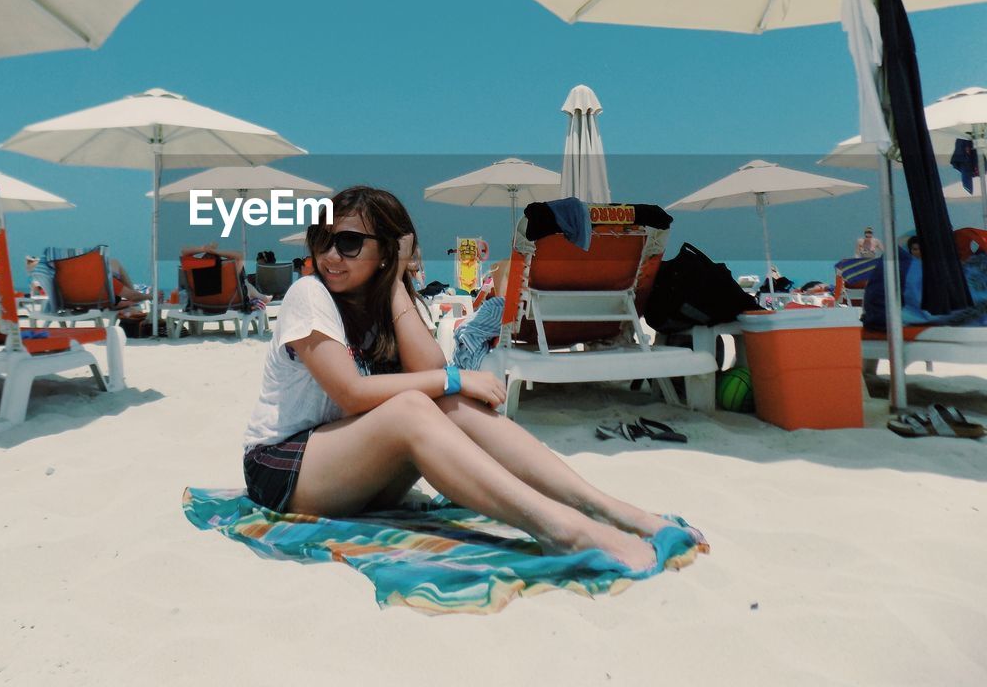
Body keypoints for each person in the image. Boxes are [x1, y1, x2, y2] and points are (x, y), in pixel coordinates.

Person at [240, 186, 705, 572]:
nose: (330, 256)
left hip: (353, 475)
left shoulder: (386, 302)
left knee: (441, 401)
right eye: (322, 240)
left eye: (348, 243)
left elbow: (428, 373)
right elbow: (352, 392)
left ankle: (606, 508)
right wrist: (457, 380)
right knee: (418, 404)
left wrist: (398, 283)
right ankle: (560, 530)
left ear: (386, 250)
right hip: (285, 471)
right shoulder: (308, 294)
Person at [180, 242, 271, 307]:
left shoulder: (197, 276)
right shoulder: (226, 277)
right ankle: (263, 297)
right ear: (219, 263)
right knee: (245, 284)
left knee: (245, 284)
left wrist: (203, 249)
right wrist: (215, 251)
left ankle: (263, 297)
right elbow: (239, 255)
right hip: (228, 304)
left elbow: (184, 252)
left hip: (203, 306)